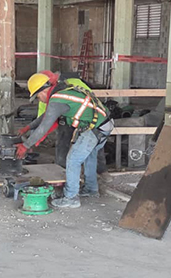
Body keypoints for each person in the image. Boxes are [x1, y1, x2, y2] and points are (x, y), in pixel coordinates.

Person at [15, 73, 114, 208]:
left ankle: (71, 197)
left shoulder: (57, 100)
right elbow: (46, 116)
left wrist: (25, 146)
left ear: (43, 91)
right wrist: (28, 127)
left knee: (73, 159)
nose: (40, 100)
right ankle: (91, 189)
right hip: (105, 124)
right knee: (90, 157)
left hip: (95, 129)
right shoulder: (62, 93)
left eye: (38, 97)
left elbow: (44, 127)